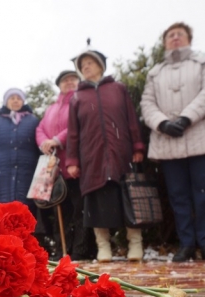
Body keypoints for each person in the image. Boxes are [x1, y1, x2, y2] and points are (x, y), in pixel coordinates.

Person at [141, 23, 205, 262]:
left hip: (201, 138)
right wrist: (163, 123)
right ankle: (186, 243)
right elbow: (147, 103)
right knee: (178, 195)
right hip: (168, 141)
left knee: (204, 193)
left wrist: (187, 117)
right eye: (170, 35)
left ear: (189, 38)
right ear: (165, 41)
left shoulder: (202, 64)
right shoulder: (155, 72)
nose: (175, 38)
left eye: (180, 34)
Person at [66, 48, 145, 262]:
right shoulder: (77, 98)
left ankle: (135, 244)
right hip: (92, 157)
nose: (86, 67)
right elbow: (73, 132)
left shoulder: (118, 89)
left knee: (128, 199)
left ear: (101, 65)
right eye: (82, 65)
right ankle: (103, 247)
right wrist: (72, 161)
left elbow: (131, 119)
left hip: (121, 153)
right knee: (96, 202)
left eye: (90, 63)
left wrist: (137, 146)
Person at [37, 70, 96, 260]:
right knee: (60, 210)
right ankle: (63, 249)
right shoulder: (51, 108)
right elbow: (40, 128)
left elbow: (75, 126)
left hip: (75, 164)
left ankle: (80, 249)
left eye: (72, 79)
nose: (69, 82)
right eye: (64, 80)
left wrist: (56, 140)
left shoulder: (80, 100)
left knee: (79, 209)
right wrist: (44, 142)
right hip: (55, 168)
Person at [0, 88, 40, 212]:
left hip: (27, 174)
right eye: (12, 98)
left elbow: (39, 146)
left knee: (26, 211)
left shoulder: (33, 121)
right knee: (3, 211)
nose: (15, 101)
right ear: (6, 102)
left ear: (23, 101)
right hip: (1, 175)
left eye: (18, 98)